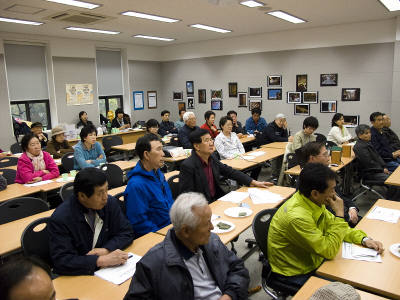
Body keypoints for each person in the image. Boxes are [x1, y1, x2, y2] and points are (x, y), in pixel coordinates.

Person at [268, 163, 384, 287]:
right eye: (333, 189)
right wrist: (340, 214)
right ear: (315, 193)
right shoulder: (297, 217)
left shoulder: (311, 201)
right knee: (354, 284)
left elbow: (335, 227)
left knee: (360, 272)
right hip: (296, 272)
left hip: (315, 258)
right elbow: (329, 251)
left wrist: (364, 239)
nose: (335, 194)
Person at [123, 192, 250, 300]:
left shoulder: (212, 241)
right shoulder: (152, 265)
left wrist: (229, 295)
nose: (212, 227)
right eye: (207, 223)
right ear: (186, 231)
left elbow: (238, 269)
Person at [49, 167, 134, 275]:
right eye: (100, 193)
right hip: (78, 275)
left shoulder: (110, 203)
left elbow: (126, 232)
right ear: (82, 196)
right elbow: (62, 261)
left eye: (106, 190)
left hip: (106, 272)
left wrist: (106, 250)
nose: (105, 197)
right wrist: (101, 260)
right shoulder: (61, 218)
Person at [179, 129, 273, 203]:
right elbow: (188, 196)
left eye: (211, 139)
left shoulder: (212, 159)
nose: (211, 143)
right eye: (206, 141)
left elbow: (230, 172)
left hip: (217, 200)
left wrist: (254, 182)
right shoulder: (188, 166)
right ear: (196, 146)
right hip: (201, 206)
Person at [124, 134, 174, 237]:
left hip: (171, 227)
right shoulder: (136, 185)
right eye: (159, 150)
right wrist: (166, 236)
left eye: (162, 149)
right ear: (146, 155)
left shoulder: (159, 175)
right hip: (158, 234)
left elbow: (170, 203)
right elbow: (139, 224)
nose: (163, 153)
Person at [300, 141, 360, 226]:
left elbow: (341, 195)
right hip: (337, 221)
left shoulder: (326, 174)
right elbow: (327, 213)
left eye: (328, 154)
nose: (328, 158)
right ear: (312, 159)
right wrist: (349, 217)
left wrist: (352, 208)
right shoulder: (308, 181)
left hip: (346, 215)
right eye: (325, 155)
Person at [353, 124, 400, 200]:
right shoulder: (360, 147)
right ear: (360, 135)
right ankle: (390, 201)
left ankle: (395, 199)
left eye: (369, 132)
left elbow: (377, 157)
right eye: (366, 133)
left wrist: (384, 166)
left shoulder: (367, 143)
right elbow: (369, 163)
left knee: (397, 179)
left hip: (377, 170)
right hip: (370, 173)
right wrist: (382, 170)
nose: (369, 135)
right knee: (392, 182)